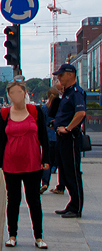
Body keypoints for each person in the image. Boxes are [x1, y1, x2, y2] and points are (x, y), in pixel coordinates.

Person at [0, 79, 50, 248]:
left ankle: (38, 237)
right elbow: (0, 140)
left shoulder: (35, 111)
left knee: (33, 200)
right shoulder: (4, 114)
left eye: (19, 92)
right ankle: (12, 235)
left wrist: (46, 159)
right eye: (12, 93)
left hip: (32, 163)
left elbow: (44, 138)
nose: (16, 96)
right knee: (13, 200)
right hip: (11, 164)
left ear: (25, 93)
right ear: (9, 96)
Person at [51, 63, 87, 218]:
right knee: (65, 172)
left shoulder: (76, 93)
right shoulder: (67, 93)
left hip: (70, 138)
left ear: (70, 74)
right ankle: (72, 204)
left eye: (61, 75)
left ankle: (76, 207)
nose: (58, 78)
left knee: (72, 173)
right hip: (62, 139)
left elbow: (81, 113)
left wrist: (67, 128)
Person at [42, 87, 61, 193]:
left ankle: (45, 183)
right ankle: (61, 185)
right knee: (59, 161)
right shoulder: (60, 107)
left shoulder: (44, 108)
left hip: (47, 137)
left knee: (46, 161)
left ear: (48, 96)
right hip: (58, 136)